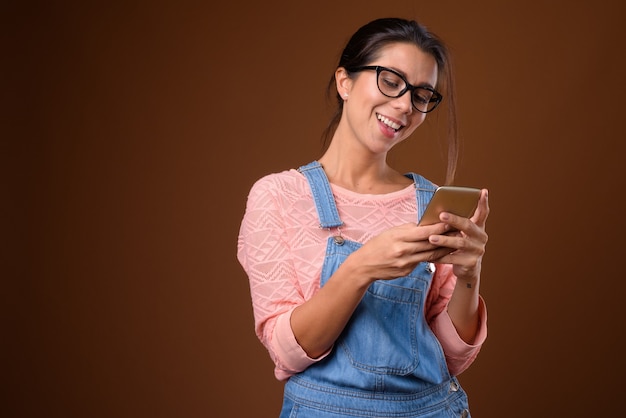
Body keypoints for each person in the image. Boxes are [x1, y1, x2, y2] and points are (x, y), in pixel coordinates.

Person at [237, 17, 489, 418]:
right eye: (391, 81)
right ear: (345, 82)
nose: (406, 105)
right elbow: (287, 350)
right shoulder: (278, 197)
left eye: (422, 95)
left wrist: (469, 275)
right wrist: (361, 268)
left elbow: (449, 356)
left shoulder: (430, 203)